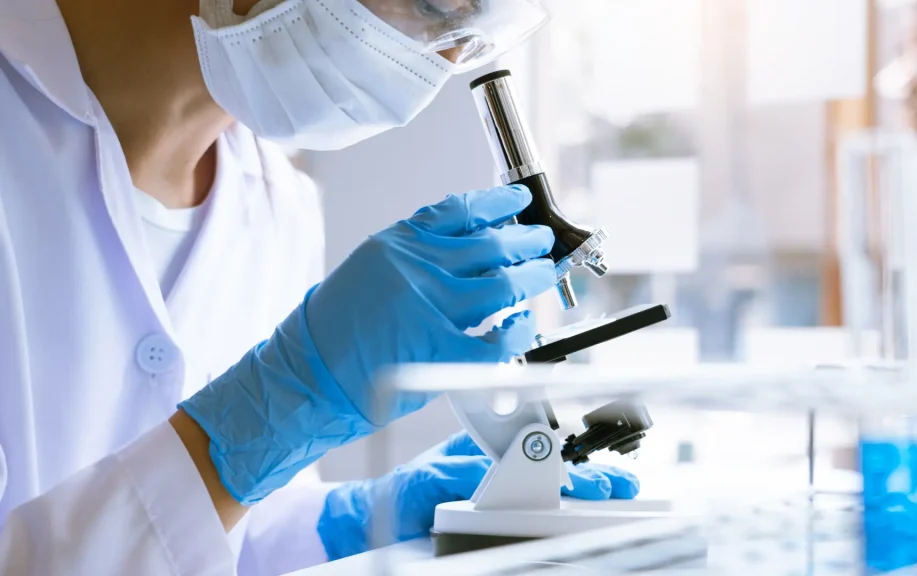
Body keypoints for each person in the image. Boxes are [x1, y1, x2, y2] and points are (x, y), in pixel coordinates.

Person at [0, 0, 640, 574]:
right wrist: (265, 420)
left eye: (472, 35)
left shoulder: (280, 204)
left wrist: (352, 522)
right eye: (434, 5)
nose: (440, 60)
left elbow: (212, 535)